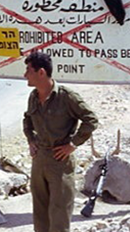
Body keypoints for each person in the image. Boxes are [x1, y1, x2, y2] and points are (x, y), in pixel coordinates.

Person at [23, 51, 99, 232]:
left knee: (59, 213)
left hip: (60, 161)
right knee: (40, 211)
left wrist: (73, 145)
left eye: (28, 70)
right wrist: (31, 140)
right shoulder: (34, 96)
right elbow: (27, 119)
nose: (25, 75)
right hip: (39, 159)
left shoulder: (66, 97)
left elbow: (91, 120)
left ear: (41, 72)